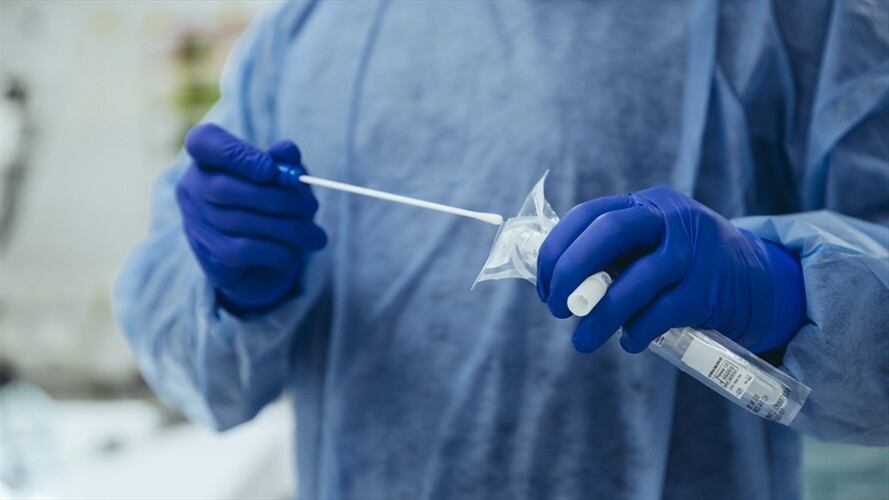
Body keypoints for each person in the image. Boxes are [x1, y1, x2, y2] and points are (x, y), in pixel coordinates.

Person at [114, 1, 889, 499]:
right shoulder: (304, 35)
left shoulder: (785, 18)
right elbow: (191, 366)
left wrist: (787, 293)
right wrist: (233, 291)